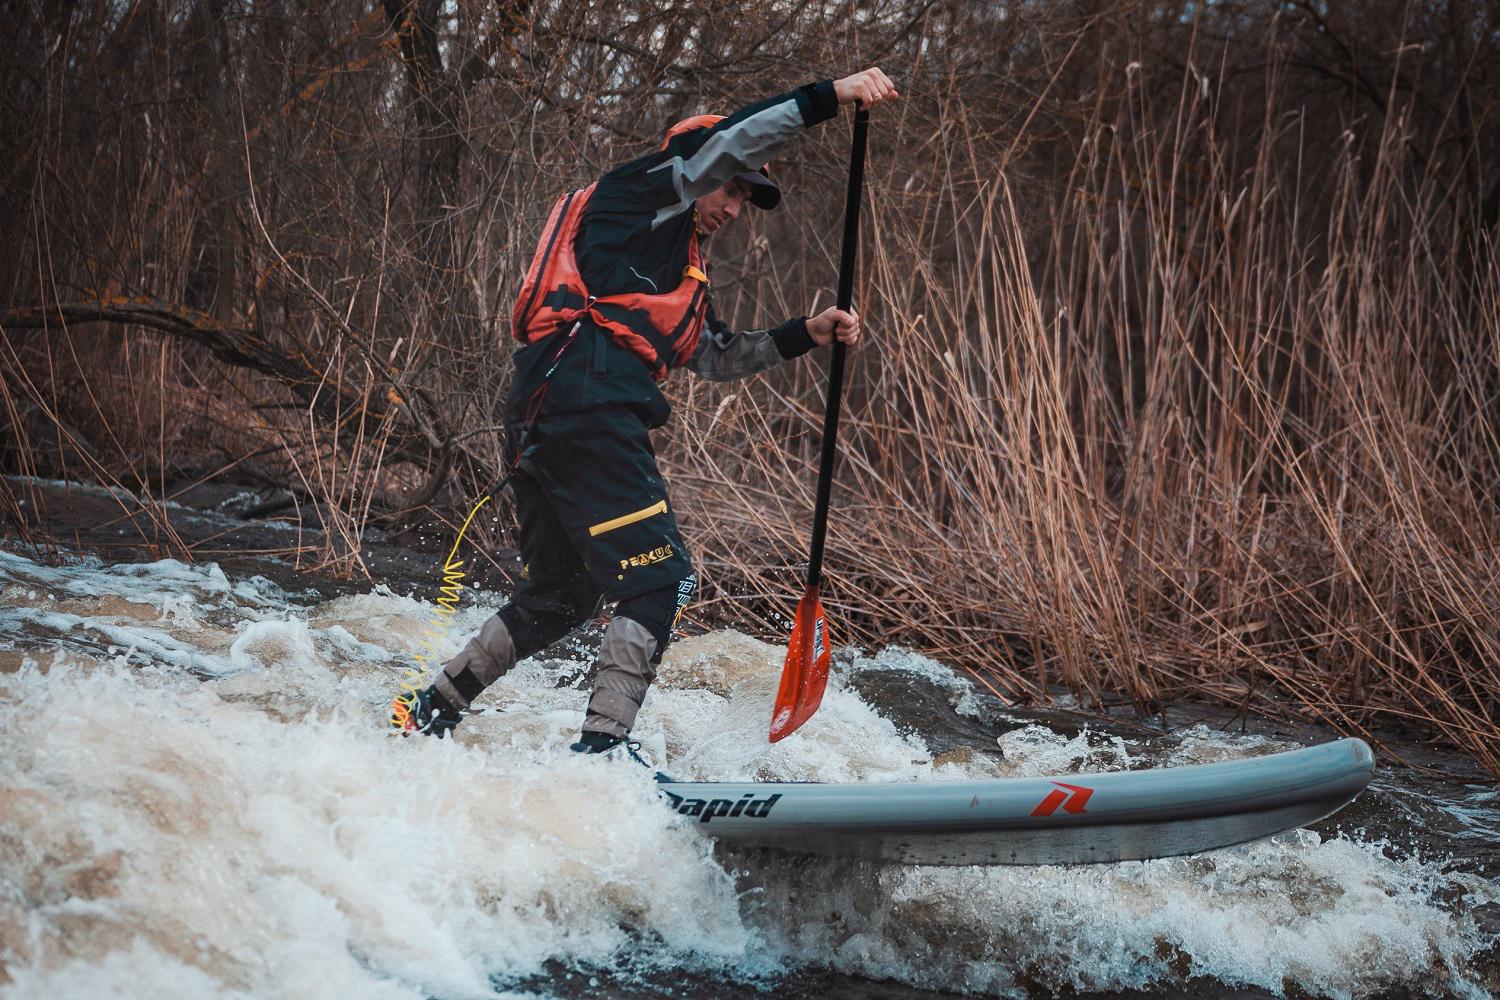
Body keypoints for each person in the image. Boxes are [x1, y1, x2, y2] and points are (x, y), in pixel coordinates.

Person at [393, 68, 899, 753]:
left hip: (551, 413)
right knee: (664, 584)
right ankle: (600, 756)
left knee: (565, 595)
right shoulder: (640, 195)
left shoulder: (676, 267)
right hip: (587, 407)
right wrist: (831, 97)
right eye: (731, 187)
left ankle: (427, 714)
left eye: (746, 197)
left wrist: (804, 334)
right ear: (698, 169)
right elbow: (731, 140)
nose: (734, 207)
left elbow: (715, 355)